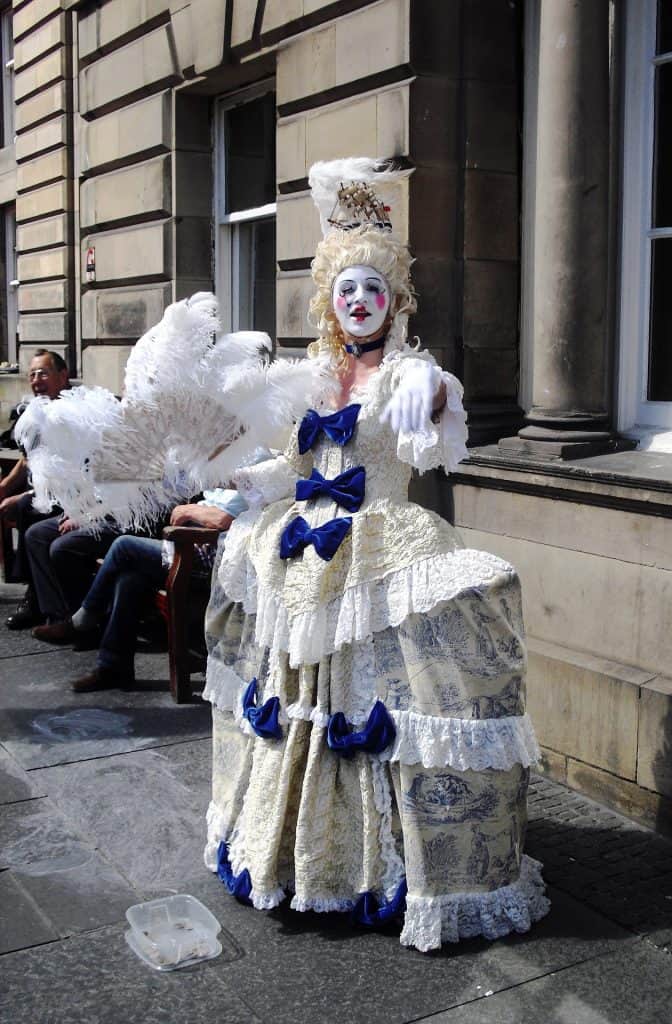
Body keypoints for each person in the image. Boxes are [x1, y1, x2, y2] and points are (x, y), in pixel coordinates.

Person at [200, 159, 549, 952]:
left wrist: (425, 387)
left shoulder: (406, 370)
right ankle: (298, 857)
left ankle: (384, 871)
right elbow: (288, 467)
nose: (359, 302)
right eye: (347, 290)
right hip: (300, 558)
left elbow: (429, 432)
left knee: (375, 705)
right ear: (331, 300)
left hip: (377, 555)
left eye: (374, 289)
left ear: (396, 302)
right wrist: (225, 489)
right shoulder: (313, 377)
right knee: (297, 703)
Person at [32, 488, 252, 692]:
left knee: (123, 546)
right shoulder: (222, 465)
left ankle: (82, 621)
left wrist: (188, 509)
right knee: (130, 579)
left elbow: (226, 520)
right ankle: (113, 667)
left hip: (204, 558)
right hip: (181, 543)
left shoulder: (249, 461)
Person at [1, 349, 74, 628]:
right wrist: (5, 486)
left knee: (24, 508)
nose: (36, 380)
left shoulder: (73, 412)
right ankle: (36, 594)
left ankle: (34, 597)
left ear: (63, 375)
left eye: (43, 373)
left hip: (72, 497)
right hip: (43, 492)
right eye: (31, 374)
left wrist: (22, 495)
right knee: (19, 505)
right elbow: (27, 459)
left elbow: (68, 474)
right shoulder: (37, 410)